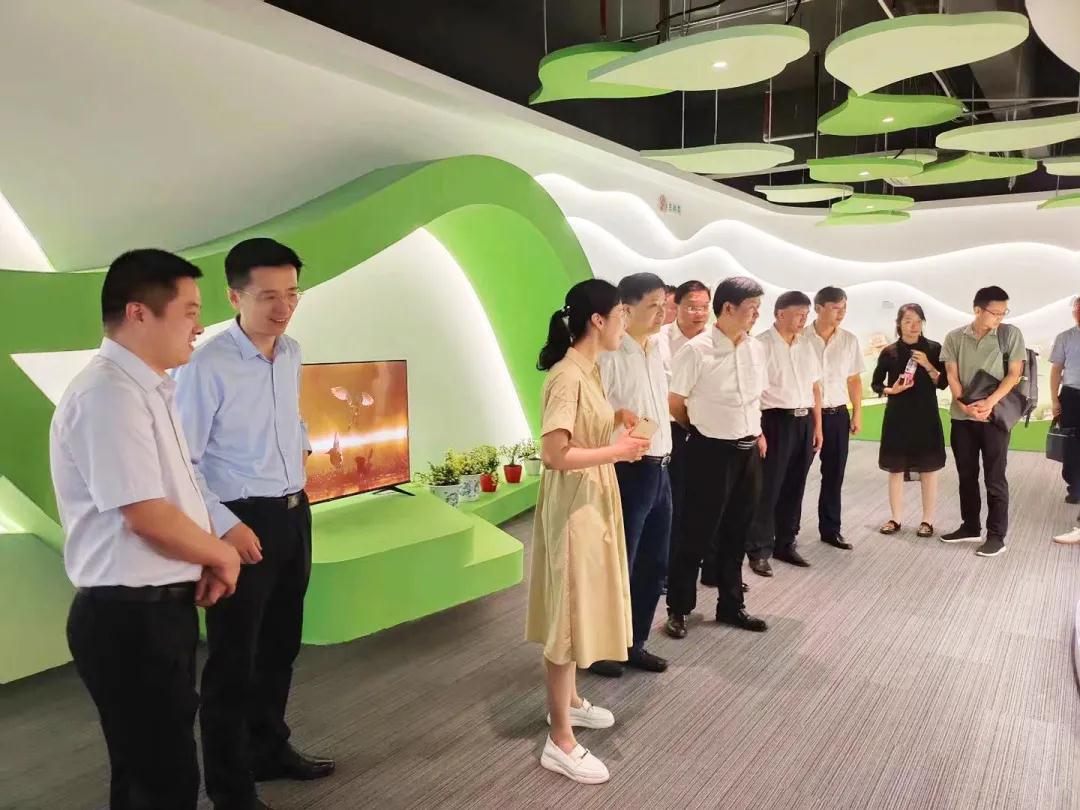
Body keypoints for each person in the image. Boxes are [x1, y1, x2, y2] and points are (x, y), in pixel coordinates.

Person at [50, 249, 241, 810]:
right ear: (138, 313)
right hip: (128, 618)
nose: (199, 326)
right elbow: (147, 515)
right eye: (189, 312)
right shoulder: (108, 394)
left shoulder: (149, 389)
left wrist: (201, 555)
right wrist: (222, 555)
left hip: (153, 611)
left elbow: (173, 500)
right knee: (161, 780)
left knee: (152, 773)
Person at [174, 238, 333, 810]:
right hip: (240, 522)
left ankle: (267, 748)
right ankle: (229, 788)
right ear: (234, 296)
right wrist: (224, 525)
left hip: (293, 512)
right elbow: (183, 461)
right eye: (268, 296)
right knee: (232, 661)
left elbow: (288, 416)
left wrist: (300, 446)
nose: (283, 307)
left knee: (280, 646)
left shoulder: (290, 353)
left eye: (292, 293)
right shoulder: (206, 365)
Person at [525, 279, 651, 785]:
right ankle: (559, 740)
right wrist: (617, 451)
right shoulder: (567, 376)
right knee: (569, 613)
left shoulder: (589, 370)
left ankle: (571, 702)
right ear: (598, 320)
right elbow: (554, 453)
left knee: (579, 603)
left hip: (592, 499)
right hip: (575, 505)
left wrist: (614, 419)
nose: (626, 324)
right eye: (621, 315)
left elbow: (581, 430)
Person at [665, 276, 770, 639]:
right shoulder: (696, 351)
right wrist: (701, 430)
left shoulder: (756, 348)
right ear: (727, 308)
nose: (756, 315)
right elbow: (676, 403)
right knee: (696, 532)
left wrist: (755, 432)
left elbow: (754, 400)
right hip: (710, 452)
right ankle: (679, 608)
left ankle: (731, 605)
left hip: (748, 452)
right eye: (751, 308)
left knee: (738, 531)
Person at [592, 273, 673, 677]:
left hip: (661, 467)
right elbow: (594, 418)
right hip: (627, 470)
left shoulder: (657, 348)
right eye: (653, 305)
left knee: (654, 563)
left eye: (664, 304)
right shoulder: (608, 355)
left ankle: (634, 642)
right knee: (618, 563)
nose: (662, 313)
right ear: (625, 308)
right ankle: (600, 647)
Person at [939, 286, 1025, 558]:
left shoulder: (1010, 334)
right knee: (966, 475)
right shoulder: (954, 337)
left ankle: (996, 536)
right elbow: (951, 375)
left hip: (994, 419)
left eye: (1004, 312)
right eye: (995, 312)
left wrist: (989, 403)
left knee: (995, 477)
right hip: (962, 418)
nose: (1000, 317)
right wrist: (965, 404)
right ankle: (970, 526)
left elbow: (1014, 374)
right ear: (977, 310)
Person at [746, 291, 823, 577]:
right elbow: (752, 393)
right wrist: (758, 432)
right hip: (774, 421)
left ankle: (786, 543)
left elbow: (815, 388)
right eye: (799, 314)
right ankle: (759, 549)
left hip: (804, 422)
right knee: (768, 488)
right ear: (780, 314)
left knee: (795, 485)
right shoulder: (760, 345)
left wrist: (818, 426)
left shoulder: (807, 345)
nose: (804, 320)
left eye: (806, 315)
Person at [871, 304, 948, 537]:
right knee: (895, 468)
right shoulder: (889, 351)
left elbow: (943, 383)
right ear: (899, 324)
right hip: (898, 416)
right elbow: (876, 383)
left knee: (928, 469)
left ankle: (927, 521)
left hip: (926, 416)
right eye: (907, 321)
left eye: (918, 321)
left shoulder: (934, 348)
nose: (914, 326)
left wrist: (928, 364)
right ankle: (895, 518)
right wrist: (890, 390)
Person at [804, 286, 864, 551]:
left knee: (834, 475)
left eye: (844, 308)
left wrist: (857, 412)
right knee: (795, 475)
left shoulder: (849, 340)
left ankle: (831, 530)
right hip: (806, 416)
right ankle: (785, 532)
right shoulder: (801, 338)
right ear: (818, 308)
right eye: (836, 308)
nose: (841, 313)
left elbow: (853, 379)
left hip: (837, 415)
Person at [1050, 296, 1080, 504]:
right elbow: (1056, 371)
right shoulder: (1065, 337)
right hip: (1071, 396)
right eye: (1077, 309)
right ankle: (1075, 488)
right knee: (1071, 444)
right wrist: (1055, 400)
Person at [657, 280, 711, 380]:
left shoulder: (717, 339)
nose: (700, 314)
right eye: (692, 308)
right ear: (677, 307)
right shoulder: (657, 340)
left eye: (705, 307)